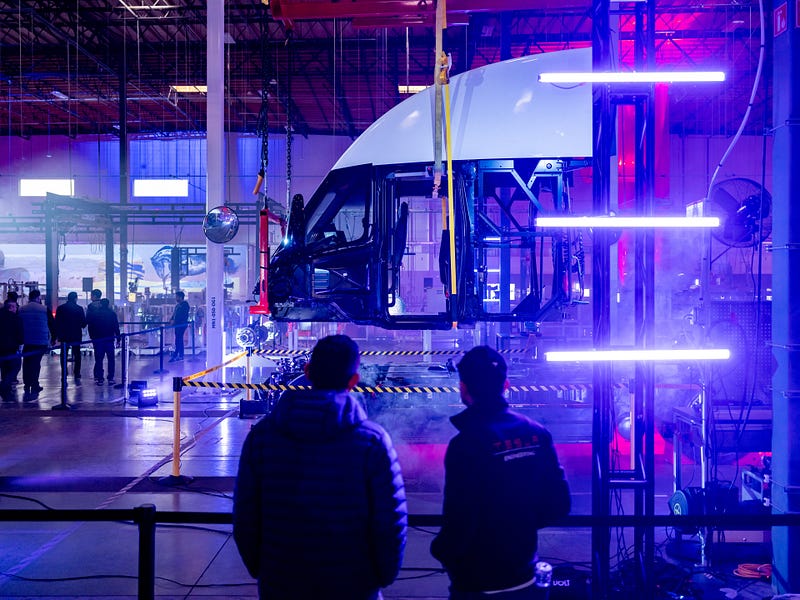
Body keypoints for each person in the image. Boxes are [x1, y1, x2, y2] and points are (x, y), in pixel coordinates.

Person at [233, 334, 407, 600]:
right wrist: (381, 576)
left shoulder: (262, 437)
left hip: (282, 583)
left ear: (307, 372)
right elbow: (390, 521)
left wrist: (264, 569)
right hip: (355, 585)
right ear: (353, 381)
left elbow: (245, 514)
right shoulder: (372, 441)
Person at [431, 346, 571, 599]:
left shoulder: (465, 444)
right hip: (524, 576)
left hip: (476, 582)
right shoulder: (537, 433)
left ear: (463, 388)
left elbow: (460, 518)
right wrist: (519, 525)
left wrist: (442, 551)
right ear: (506, 384)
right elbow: (560, 505)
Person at [18, 289, 53, 399]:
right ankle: (34, 384)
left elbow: (18, 323)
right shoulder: (44, 309)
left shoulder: (22, 309)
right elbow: (52, 324)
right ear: (38, 297)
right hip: (40, 340)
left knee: (27, 362)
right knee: (36, 363)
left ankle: (26, 384)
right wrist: (54, 338)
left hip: (27, 340)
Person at [54, 291, 87, 384]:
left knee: (63, 354)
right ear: (76, 298)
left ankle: (64, 372)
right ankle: (77, 373)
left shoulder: (61, 308)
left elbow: (57, 322)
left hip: (64, 335)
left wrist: (57, 334)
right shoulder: (79, 309)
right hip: (76, 334)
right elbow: (83, 324)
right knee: (77, 354)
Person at [86, 298, 120, 385]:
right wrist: (118, 338)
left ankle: (100, 378)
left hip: (98, 340)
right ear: (108, 304)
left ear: (101, 304)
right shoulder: (112, 314)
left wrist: (92, 337)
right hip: (109, 339)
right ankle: (110, 378)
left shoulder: (95, 314)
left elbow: (91, 326)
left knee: (99, 359)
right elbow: (116, 326)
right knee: (111, 359)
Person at [0, 298, 24, 401]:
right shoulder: (16, 318)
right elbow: (20, 335)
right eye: (15, 306)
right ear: (11, 307)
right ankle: (3, 386)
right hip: (11, 347)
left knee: (4, 369)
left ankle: (6, 392)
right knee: (15, 367)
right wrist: (20, 343)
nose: (16, 308)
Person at [168, 290, 190, 362]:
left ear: (181, 297)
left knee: (179, 339)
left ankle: (177, 355)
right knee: (178, 339)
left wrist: (175, 321)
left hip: (181, 325)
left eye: (177, 297)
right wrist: (171, 320)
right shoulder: (177, 306)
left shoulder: (185, 305)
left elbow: (182, 315)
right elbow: (174, 314)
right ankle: (179, 355)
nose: (176, 298)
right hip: (177, 325)